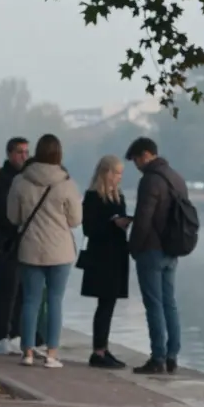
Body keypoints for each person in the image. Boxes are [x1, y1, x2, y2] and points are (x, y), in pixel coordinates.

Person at [6, 134, 82, 369]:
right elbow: (76, 220)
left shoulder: (20, 181)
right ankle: (51, 353)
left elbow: (13, 216)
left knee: (30, 300)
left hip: (30, 248)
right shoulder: (67, 184)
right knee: (55, 300)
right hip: (60, 251)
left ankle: (27, 352)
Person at [125, 136, 187, 375]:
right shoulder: (177, 178)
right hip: (173, 249)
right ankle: (172, 356)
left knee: (154, 305)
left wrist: (133, 248)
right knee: (169, 303)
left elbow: (143, 220)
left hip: (151, 249)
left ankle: (157, 357)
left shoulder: (150, 181)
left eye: (137, 160)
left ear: (146, 154)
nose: (137, 166)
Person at [80, 155, 131, 369]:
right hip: (101, 256)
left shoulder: (119, 196)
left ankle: (103, 347)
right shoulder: (92, 197)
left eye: (121, 174)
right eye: (116, 173)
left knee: (109, 304)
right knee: (104, 303)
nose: (119, 178)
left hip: (117, 254)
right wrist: (112, 223)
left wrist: (124, 222)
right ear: (106, 173)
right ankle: (98, 351)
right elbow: (89, 228)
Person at [0, 137, 30, 355]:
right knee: (6, 290)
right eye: (20, 152)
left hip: (24, 243)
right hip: (5, 243)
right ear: (10, 154)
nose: (24, 156)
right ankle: (1, 334)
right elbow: (1, 211)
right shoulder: (1, 179)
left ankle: (15, 332)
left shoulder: (26, 178)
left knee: (22, 291)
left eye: (26, 152)